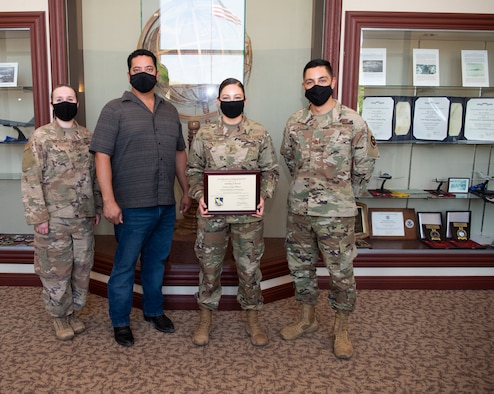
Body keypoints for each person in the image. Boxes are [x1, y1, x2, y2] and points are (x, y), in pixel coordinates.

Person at [89, 49, 191, 347]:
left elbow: (179, 152)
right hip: (131, 207)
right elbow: (102, 156)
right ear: (129, 74)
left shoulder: (170, 111)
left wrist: (185, 189)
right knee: (124, 265)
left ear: (157, 73)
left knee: (156, 262)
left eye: (149, 68)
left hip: (165, 204)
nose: (144, 72)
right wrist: (108, 200)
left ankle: (153, 311)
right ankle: (120, 322)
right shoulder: (114, 109)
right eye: (137, 69)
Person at [280, 59, 379, 359]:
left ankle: (342, 328)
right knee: (301, 268)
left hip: (337, 214)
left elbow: (365, 165)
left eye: (322, 80)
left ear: (333, 82)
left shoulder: (353, 121)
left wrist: (344, 194)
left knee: (341, 272)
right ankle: (307, 319)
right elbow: (289, 159)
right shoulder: (295, 121)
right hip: (300, 210)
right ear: (303, 86)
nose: (316, 87)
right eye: (310, 82)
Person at [187, 78, 279, 347]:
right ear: (218, 102)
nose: (231, 101)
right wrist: (199, 197)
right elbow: (193, 171)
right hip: (211, 216)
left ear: (245, 100)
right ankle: (205, 318)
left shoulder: (259, 132)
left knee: (249, 268)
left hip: (248, 217)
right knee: (209, 267)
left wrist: (263, 196)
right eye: (225, 97)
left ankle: (253, 318)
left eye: (236, 96)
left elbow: (271, 171)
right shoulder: (205, 134)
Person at [21, 84, 102, 341]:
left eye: (70, 99)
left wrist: (97, 206)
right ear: (51, 104)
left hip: (82, 217)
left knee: (81, 267)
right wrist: (38, 217)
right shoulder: (40, 137)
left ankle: (73, 312)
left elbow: (96, 176)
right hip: (53, 218)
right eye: (59, 99)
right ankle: (59, 317)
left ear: (77, 104)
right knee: (55, 269)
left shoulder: (88, 137)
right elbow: (30, 178)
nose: (65, 102)